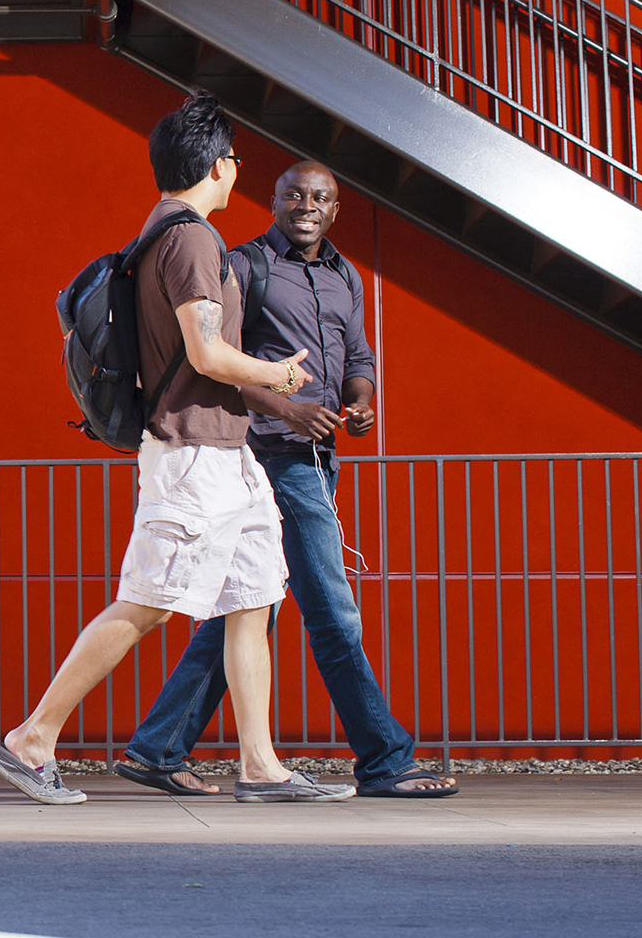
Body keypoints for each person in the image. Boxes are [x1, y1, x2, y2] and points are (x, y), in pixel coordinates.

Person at [0, 90, 353, 804]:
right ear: (218, 164)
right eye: (236, 160)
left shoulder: (170, 231)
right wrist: (277, 373)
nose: (236, 170)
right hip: (192, 459)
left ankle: (260, 766)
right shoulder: (188, 238)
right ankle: (32, 738)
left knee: (252, 599)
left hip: (228, 455)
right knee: (149, 602)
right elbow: (208, 352)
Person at [111, 161, 459, 799]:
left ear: (336, 208)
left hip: (319, 457)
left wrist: (362, 401)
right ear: (272, 202)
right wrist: (291, 409)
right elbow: (220, 364)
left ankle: (158, 746)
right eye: (294, 194)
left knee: (248, 605)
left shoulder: (344, 274)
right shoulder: (244, 265)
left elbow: (359, 356)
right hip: (272, 454)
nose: (306, 204)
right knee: (330, 609)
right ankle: (384, 759)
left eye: (320, 197)